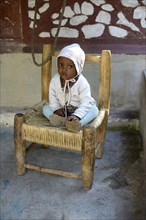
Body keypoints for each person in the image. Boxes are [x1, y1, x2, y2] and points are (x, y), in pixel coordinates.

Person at [43, 43, 98, 133]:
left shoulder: (82, 83)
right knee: (45, 108)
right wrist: (56, 108)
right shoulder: (55, 80)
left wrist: (77, 115)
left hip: (79, 110)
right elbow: (52, 97)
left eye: (70, 66)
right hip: (62, 111)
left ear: (78, 68)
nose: (64, 69)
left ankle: (78, 123)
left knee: (94, 110)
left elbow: (86, 102)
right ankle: (58, 120)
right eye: (61, 65)